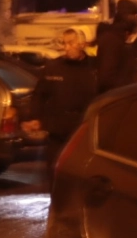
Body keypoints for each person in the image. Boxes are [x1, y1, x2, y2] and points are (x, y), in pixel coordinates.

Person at [25, 28, 100, 189]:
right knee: (56, 174)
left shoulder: (95, 67)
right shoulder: (53, 67)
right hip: (58, 132)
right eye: (64, 43)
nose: (66, 48)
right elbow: (39, 95)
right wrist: (35, 117)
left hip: (84, 131)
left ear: (82, 44)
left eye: (70, 43)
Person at [96, 0, 137, 92]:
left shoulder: (131, 40)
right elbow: (106, 77)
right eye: (136, 16)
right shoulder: (111, 40)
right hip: (118, 98)